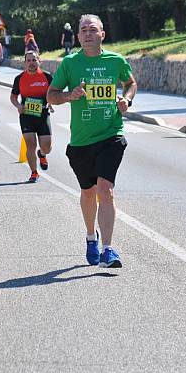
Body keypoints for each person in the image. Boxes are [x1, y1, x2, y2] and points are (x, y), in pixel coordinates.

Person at [47, 14, 137, 268]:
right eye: (83, 30)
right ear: (78, 37)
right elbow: (51, 95)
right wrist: (69, 96)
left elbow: (130, 83)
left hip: (111, 134)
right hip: (81, 141)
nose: (87, 33)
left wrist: (126, 100)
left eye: (92, 29)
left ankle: (108, 249)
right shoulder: (70, 64)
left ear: (102, 35)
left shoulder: (115, 61)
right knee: (88, 193)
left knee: (105, 189)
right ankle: (91, 237)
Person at [10, 51, 53, 183]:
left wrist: (50, 103)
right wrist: (18, 106)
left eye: (34, 60)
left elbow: (53, 93)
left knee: (47, 146)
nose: (31, 63)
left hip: (42, 114)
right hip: (26, 115)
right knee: (30, 144)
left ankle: (42, 154)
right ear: (25, 63)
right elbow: (13, 97)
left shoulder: (47, 77)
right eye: (28, 60)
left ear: (39, 61)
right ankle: (34, 172)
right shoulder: (19, 78)